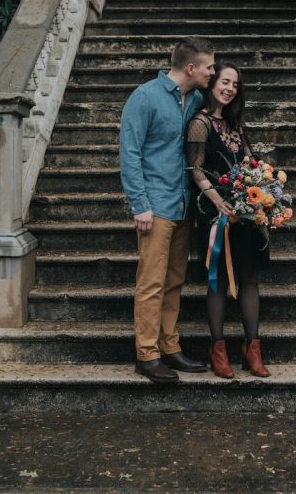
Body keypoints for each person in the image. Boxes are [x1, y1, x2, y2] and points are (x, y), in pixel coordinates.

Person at [119, 38, 216, 384]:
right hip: (155, 206)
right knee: (151, 282)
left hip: (182, 204)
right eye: (209, 67)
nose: (213, 72)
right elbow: (129, 153)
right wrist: (140, 205)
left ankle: (169, 346)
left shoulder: (197, 100)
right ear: (191, 68)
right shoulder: (144, 98)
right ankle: (146, 354)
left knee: (174, 279)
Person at [186, 63, 271, 379]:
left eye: (235, 84)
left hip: (245, 211)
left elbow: (251, 164)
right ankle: (217, 349)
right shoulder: (200, 124)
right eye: (224, 81)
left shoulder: (237, 125)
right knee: (219, 279)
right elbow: (194, 170)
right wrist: (216, 200)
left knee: (249, 277)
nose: (229, 88)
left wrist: (263, 191)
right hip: (216, 211)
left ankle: (253, 348)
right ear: (212, 85)